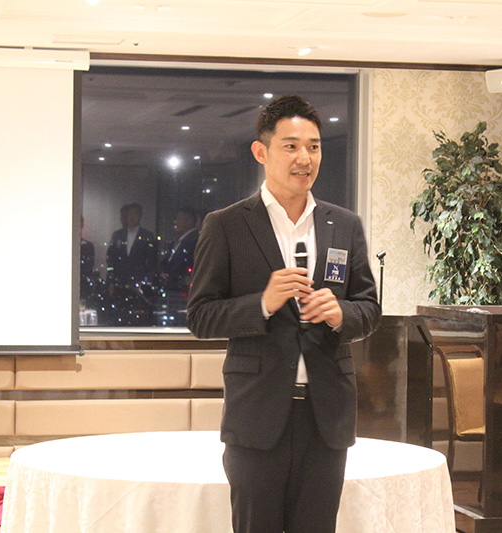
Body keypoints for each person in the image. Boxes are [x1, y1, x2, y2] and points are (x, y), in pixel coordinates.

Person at [187, 95, 381, 532]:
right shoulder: (227, 224)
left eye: (313, 147)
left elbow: (369, 309)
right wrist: (262, 302)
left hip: (326, 417)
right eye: (291, 146)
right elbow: (200, 316)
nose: (304, 158)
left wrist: (340, 313)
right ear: (262, 152)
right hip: (257, 416)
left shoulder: (344, 224)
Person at [106, 202, 157, 325]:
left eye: (135, 214)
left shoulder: (147, 236)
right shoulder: (118, 235)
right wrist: (111, 281)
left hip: (138, 283)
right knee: (119, 314)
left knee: (137, 314)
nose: (132, 217)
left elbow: (152, 262)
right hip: (120, 282)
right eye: (129, 214)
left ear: (140, 216)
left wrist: (146, 282)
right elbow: (111, 259)